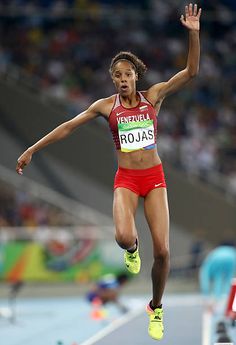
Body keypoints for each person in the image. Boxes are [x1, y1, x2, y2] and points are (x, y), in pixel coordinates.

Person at [16, 3, 201, 340]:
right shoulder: (105, 107)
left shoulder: (154, 97)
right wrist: (32, 149)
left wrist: (194, 35)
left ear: (135, 76)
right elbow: (68, 126)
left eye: (126, 74)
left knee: (162, 252)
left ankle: (155, 307)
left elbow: (190, 72)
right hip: (127, 180)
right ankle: (131, 251)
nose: (121, 80)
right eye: (116, 76)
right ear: (113, 81)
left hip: (154, 178)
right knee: (123, 237)